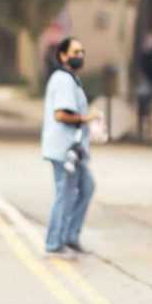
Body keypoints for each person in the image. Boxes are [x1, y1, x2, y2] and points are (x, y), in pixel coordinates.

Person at [41, 37, 98, 256]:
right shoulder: (63, 79)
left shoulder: (70, 79)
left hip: (74, 150)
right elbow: (61, 114)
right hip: (64, 150)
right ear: (62, 56)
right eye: (75, 52)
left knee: (87, 187)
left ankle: (70, 236)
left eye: (82, 52)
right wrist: (87, 118)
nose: (80, 56)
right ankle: (55, 242)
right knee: (64, 193)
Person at [135, 31, 152, 134]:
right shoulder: (145, 55)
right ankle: (143, 125)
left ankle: (148, 126)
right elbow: (144, 68)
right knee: (144, 101)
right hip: (147, 80)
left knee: (151, 102)